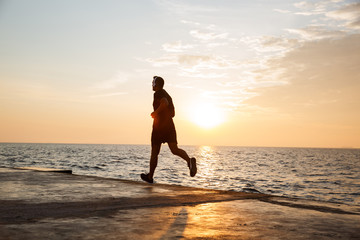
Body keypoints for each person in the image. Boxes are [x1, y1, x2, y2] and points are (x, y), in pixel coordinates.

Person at [141, 76, 197, 183]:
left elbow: (164, 103)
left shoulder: (158, 93)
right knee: (174, 149)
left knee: (154, 153)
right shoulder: (168, 94)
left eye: (153, 82)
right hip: (169, 126)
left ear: (156, 84)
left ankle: (150, 177)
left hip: (159, 127)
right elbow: (173, 113)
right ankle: (189, 161)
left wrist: (155, 113)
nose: (152, 84)